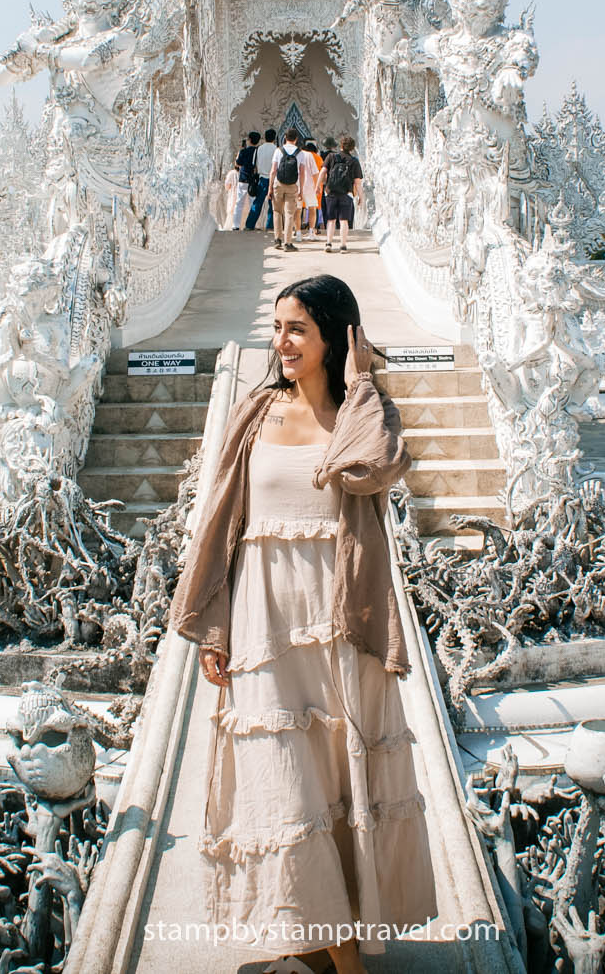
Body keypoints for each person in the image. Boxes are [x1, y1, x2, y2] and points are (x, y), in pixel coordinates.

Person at [170, 275, 437, 972]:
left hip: (339, 624)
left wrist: (367, 379)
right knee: (284, 785)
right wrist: (216, 626)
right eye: (278, 327)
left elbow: (372, 470)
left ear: (334, 338)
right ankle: (344, 957)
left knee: (336, 788)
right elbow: (222, 525)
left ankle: (325, 937)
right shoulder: (255, 412)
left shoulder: (361, 413)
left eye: (298, 329)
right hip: (266, 624)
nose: (282, 342)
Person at [319, 135, 364, 253]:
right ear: (352, 148)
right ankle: (343, 246)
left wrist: (317, 186)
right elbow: (358, 182)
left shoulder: (331, 156)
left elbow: (323, 171)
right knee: (344, 220)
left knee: (331, 220)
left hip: (331, 192)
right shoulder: (354, 161)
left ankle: (328, 243)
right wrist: (361, 197)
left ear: (341, 145)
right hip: (346, 193)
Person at [268, 126, 303, 251]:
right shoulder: (300, 153)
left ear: (285, 138)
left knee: (277, 211)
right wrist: (301, 190)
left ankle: (277, 239)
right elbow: (302, 173)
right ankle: (287, 243)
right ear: (296, 139)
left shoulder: (278, 151)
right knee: (289, 213)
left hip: (278, 183)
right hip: (293, 185)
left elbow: (273, 171)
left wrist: (270, 188)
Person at [246, 128, 277, 231]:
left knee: (257, 202)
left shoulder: (259, 149)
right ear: (274, 138)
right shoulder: (276, 149)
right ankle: (270, 226)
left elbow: (254, 165)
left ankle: (250, 224)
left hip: (262, 178)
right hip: (272, 179)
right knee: (272, 204)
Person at [231, 132, 260, 231]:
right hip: (253, 180)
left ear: (249, 140)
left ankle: (236, 225)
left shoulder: (244, 151)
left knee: (239, 203)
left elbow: (238, 163)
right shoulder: (258, 151)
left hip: (243, 178)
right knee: (253, 203)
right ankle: (252, 224)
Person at [296, 139, 323, 241]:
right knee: (312, 209)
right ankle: (311, 232)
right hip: (309, 186)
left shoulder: (295, 155)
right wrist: (318, 186)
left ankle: (298, 233)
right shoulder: (309, 155)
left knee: (297, 210)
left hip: (297, 185)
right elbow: (315, 173)